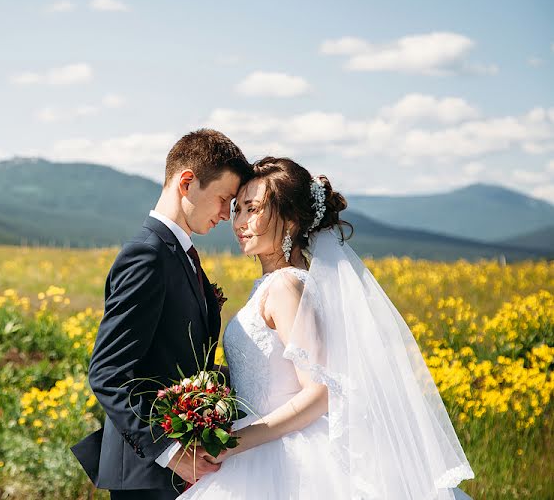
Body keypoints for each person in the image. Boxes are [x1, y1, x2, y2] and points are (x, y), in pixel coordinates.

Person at [177, 156, 475, 499]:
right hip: (266, 442)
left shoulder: (286, 286)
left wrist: (235, 441)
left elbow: (320, 393)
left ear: (289, 221)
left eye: (252, 208)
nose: (239, 221)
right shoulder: (279, 284)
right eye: (237, 209)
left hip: (284, 456)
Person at [71, 129, 250, 499]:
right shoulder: (147, 255)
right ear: (187, 182)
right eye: (223, 199)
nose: (224, 214)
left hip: (178, 466)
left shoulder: (178, 254)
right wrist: (170, 452)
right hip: (148, 474)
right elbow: (107, 372)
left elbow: (176, 359)